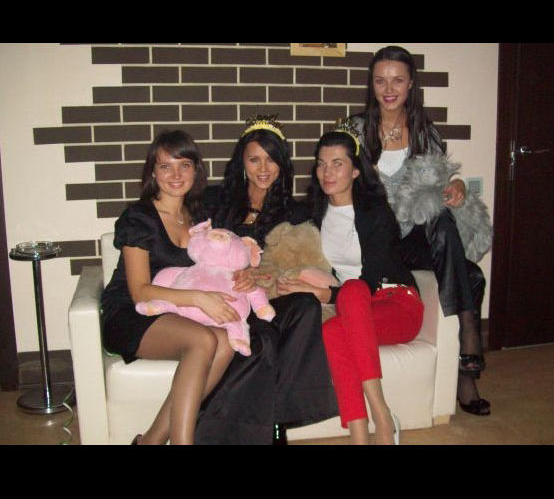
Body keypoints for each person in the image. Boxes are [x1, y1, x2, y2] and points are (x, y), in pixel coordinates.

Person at [350, 45, 489, 416]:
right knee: (472, 276)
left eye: (398, 80)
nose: (389, 89)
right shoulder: (356, 130)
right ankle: (468, 360)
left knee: (442, 221)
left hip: (415, 238)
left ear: (411, 83)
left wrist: (457, 185)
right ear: (371, 84)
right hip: (376, 240)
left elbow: (441, 179)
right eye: (380, 81)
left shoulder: (426, 132)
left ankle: (464, 360)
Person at [194, 115, 338, 444]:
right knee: (267, 338)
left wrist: (266, 278)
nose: (263, 168)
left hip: (268, 300)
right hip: (227, 302)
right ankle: (261, 426)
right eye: (254, 159)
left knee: (304, 306)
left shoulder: (295, 212)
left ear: (282, 165)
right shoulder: (215, 203)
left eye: (271, 159)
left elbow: (299, 264)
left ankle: (278, 419)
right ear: (241, 163)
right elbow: (196, 253)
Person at [277, 123, 424, 445]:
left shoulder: (376, 213)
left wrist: (323, 293)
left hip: (396, 304)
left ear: (356, 171)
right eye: (321, 164)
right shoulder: (315, 213)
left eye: (337, 163)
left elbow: (370, 282)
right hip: (353, 309)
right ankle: (359, 434)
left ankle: (381, 415)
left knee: (355, 289)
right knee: (332, 331)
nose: (327, 172)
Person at [101, 130, 237, 445]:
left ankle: (150, 442)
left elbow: (218, 259)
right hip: (130, 313)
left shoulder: (199, 216)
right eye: (165, 166)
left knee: (226, 342)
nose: (175, 175)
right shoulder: (139, 217)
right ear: (153, 172)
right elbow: (139, 290)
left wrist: (244, 274)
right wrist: (198, 298)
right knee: (203, 340)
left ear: (196, 170)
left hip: (175, 313)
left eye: (184, 165)